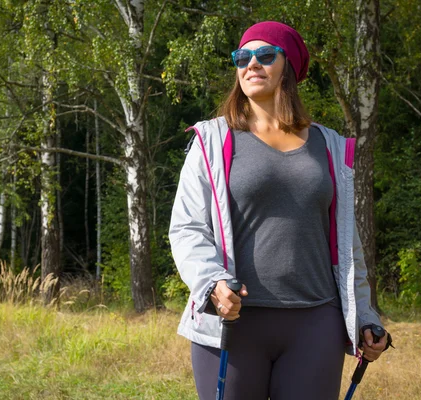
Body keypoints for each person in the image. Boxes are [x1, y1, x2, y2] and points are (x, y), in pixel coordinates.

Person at [169, 21, 389, 399]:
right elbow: (187, 227)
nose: (251, 64)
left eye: (265, 55)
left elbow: (347, 242)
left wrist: (366, 316)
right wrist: (212, 284)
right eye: (242, 57)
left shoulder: (330, 146)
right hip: (233, 322)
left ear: (289, 66)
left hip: (316, 322)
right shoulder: (212, 139)